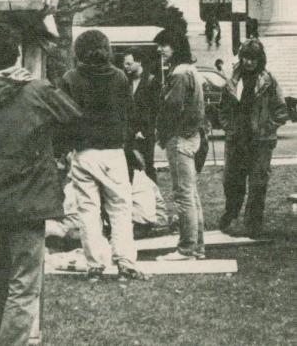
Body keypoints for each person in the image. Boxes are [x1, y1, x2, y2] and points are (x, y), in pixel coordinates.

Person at [0, 22, 81, 345]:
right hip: (29, 200)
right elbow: (74, 117)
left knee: (1, 278)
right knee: (24, 283)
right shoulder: (38, 91)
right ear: (18, 53)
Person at [59, 30, 145, 281]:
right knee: (120, 208)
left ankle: (95, 263)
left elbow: (63, 118)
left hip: (84, 151)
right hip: (114, 152)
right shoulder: (119, 77)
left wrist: (64, 148)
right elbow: (130, 114)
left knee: (88, 210)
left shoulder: (71, 78)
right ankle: (125, 262)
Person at [218, 39, 289, 238]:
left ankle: (253, 224)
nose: (249, 62)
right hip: (237, 141)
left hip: (261, 143)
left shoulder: (269, 81)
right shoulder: (232, 81)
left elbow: (281, 111)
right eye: (245, 58)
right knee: (233, 182)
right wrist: (229, 129)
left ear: (260, 59)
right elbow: (223, 110)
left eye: (253, 58)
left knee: (258, 184)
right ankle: (231, 216)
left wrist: (267, 128)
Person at [154, 29, 206, 261]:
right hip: (192, 136)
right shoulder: (191, 70)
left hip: (180, 138)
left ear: (176, 46)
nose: (160, 49)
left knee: (183, 195)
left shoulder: (179, 74)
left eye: (164, 45)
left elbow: (170, 108)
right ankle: (198, 247)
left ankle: (186, 249)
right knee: (191, 195)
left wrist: (163, 135)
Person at [122, 49, 160, 183]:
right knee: (129, 165)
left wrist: (145, 130)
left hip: (145, 133)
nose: (126, 67)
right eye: (125, 64)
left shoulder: (151, 81)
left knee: (147, 165)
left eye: (129, 64)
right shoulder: (126, 82)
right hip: (130, 131)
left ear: (139, 62)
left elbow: (154, 109)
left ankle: (153, 197)